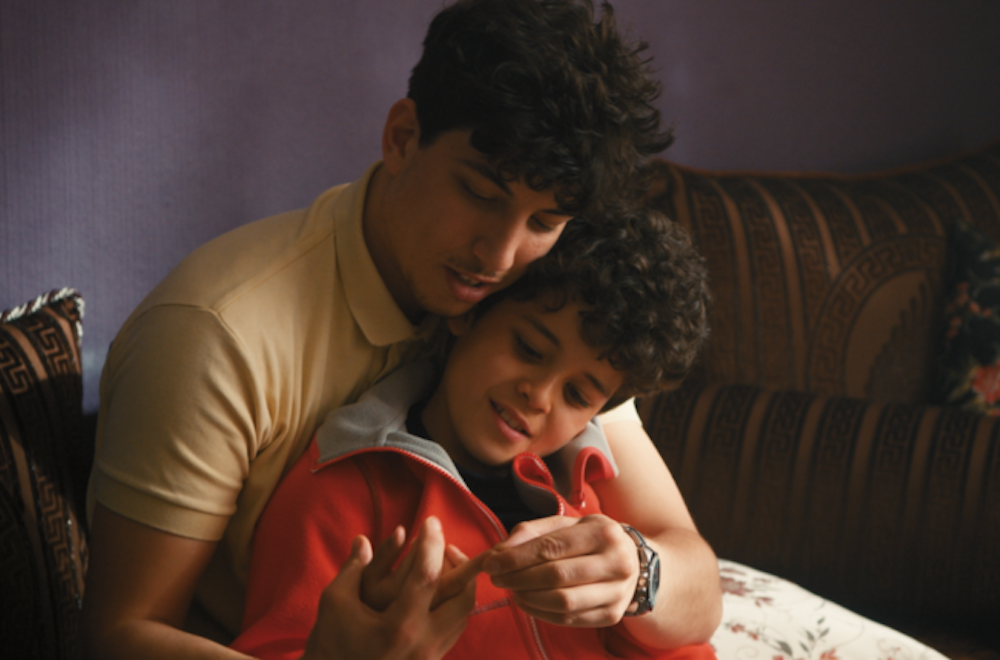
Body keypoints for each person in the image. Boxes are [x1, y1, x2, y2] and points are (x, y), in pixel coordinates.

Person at [82, 1, 723, 658]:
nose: (500, 256)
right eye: (480, 193)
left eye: (543, 222)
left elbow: (696, 577)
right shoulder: (216, 337)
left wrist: (640, 573)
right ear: (402, 136)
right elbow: (118, 637)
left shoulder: (543, 296)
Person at [230, 210, 716, 660]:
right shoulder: (342, 490)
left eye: (576, 395)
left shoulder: (591, 484)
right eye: (529, 348)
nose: (539, 396)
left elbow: (689, 637)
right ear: (471, 311)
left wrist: (638, 579)